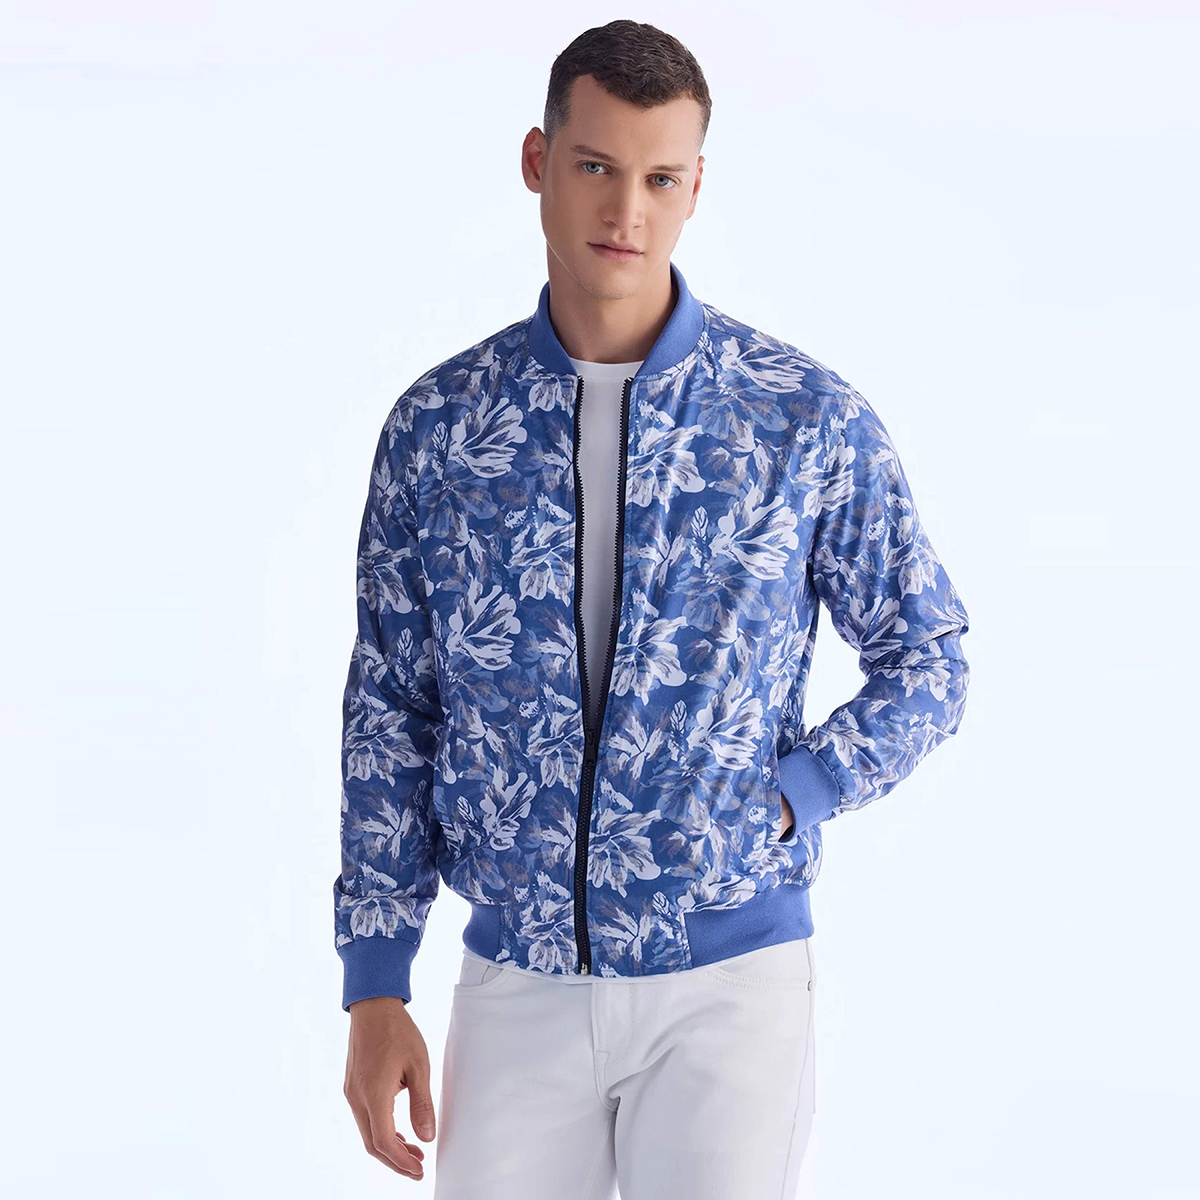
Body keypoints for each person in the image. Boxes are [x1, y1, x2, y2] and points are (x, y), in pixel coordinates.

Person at [334, 19, 971, 1200]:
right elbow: (390, 711)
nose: (626, 209)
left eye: (661, 178)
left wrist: (793, 796)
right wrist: (376, 983)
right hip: (516, 984)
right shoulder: (442, 430)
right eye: (596, 166)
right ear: (539, 162)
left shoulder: (800, 420)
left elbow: (928, 658)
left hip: (730, 986)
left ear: (695, 189)